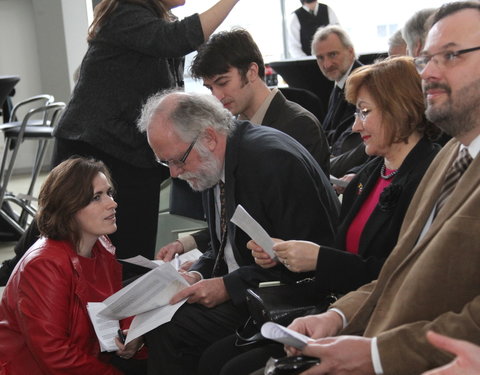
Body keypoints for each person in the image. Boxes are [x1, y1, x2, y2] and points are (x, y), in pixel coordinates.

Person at [251, 2, 480, 374]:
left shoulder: (431, 160)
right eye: (425, 60)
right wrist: (339, 316)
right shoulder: (451, 155)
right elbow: (397, 271)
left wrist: (375, 354)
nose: (430, 73)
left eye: (451, 55)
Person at [197, 55, 440, 375]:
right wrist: (281, 254)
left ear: (400, 109)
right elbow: (341, 257)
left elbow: (403, 277)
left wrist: (318, 260)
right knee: (215, 361)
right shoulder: (368, 177)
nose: (355, 125)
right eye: (356, 112)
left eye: (365, 112)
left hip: (386, 323)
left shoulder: (429, 176)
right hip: (337, 308)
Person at [137, 90, 340, 374]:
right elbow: (223, 242)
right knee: (162, 322)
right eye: (166, 163)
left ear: (208, 137)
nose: (173, 173)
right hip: (249, 290)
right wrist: (197, 272)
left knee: (173, 331)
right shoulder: (213, 161)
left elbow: (314, 259)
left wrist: (227, 286)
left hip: (291, 301)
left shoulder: (271, 162)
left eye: (177, 160)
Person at [49, 0, 240, 264]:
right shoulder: (126, 13)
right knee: (82, 247)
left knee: (128, 253)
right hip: (97, 148)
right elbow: (179, 38)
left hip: (128, 150)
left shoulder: (156, 19)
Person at [158, 28, 331, 260]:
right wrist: (192, 244)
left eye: (223, 82)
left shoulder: (298, 126)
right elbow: (231, 217)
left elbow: (296, 224)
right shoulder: (226, 132)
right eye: (210, 88)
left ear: (251, 72)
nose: (217, 96)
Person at [0, 157, 144, 374]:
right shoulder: (44, 265)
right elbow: (54, 354)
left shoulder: (101, 246)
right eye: (96, 197)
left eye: (109, 193)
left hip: (85, 358)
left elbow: (113, 305)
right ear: (69, 207)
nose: (112, 203)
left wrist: (131, 332)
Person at [311, 25, 368, 178]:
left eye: (333, 54)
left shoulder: (364, 84)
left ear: (351, 52)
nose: (326, 64)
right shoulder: (339, 82)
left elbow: (347, 142)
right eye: (320, 57)